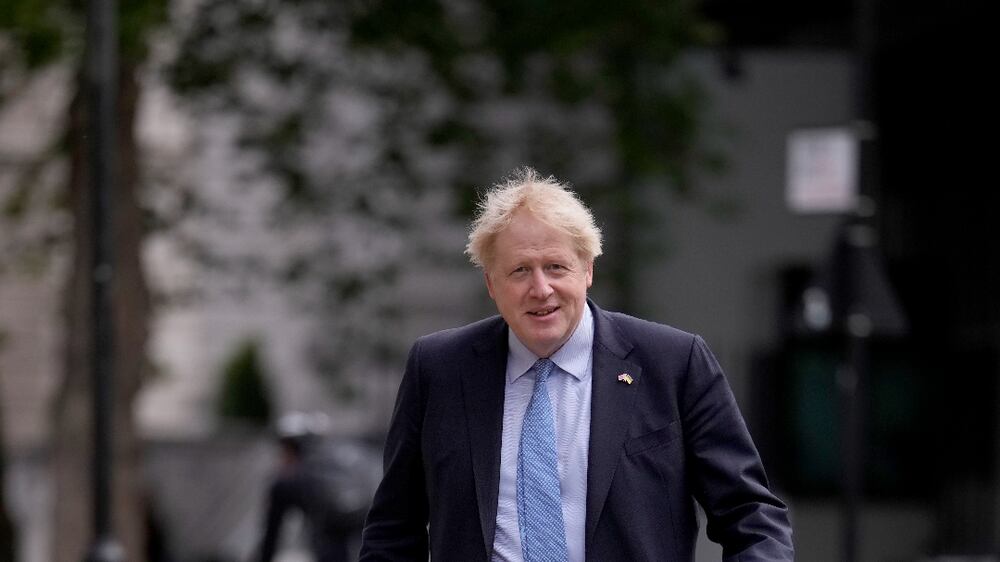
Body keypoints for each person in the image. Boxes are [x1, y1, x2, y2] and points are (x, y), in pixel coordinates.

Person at [359, 168, 794, 561]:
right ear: (491, 284)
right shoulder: (439, 369)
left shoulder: (672, 362)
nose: (541, 288)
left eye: (556, 266)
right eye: (520, 271)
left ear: (587, 270)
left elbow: (751, 516)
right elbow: (394, 530)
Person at [256, 412, 377, 562]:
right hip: (355, 529)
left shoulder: (291, 481)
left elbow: (272, 532)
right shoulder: (337, 463)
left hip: (329, 536)